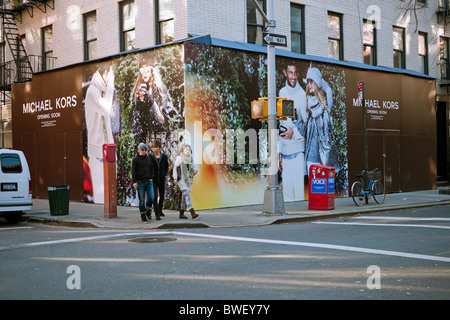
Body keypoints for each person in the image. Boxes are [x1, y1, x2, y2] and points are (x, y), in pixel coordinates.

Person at [84, 65, 115, 204]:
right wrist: (111, 85)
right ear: (104, 73)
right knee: (101, 196)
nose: (110, 78)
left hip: (106, 148)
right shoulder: (93, 91)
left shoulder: (100, 90)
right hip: (97, 152)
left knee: (109, 194)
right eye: (109, 74)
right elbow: (106, 108)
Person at [278, 62, 306, 201]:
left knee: (299, 194)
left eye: (295, 73)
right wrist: (279, 152)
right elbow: (281, 123)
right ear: (285, 72)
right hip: (285, 152)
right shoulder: (282, 92)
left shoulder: (302, 95)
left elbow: (307, 126)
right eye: (290, 73)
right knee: (287, 195)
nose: (293, 76)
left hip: (297, 152)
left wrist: (293, 133)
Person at [303, 67, 334, 172]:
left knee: (323, 186)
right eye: (308, 82)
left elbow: (329, 132)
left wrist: (323, 84)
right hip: (310, 155)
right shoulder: (308, 104)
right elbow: (304, 131)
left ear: (316, 82)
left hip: (322, 155)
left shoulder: (324, 107)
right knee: (313, 186)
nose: (309, 85)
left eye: (311, 81)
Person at [173, 145, 199, 219]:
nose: (188, 151)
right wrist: (175, 178)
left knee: (184, 197)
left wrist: (195, 170)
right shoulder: (179, 158)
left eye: (189, 150)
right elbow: (175, 168)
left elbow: (193, 167)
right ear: (183, 151)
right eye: (186, 150)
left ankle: (181, 214)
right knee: (187, 194)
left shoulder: (190, 159)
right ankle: (192, 212)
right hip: (181, 179)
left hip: (187, 180)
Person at [131, 143, 155, 223]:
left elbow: (151, 168)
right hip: (140, 181)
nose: (144, 151)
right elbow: (133, 171)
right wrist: (134, 181)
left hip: (148, 180)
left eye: (145, 150)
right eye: (142, 150)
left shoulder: (149, 159)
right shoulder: (135, 160)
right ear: (139, 150)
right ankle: (143, 216)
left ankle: (148, 211)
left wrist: (151, 177)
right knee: (141, 200)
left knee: (151, 197)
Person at [150, 139, 169, 220]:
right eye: (154, 147)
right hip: (153, 179)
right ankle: (156, 212)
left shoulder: (163, 156)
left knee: (162, 195)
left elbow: (166, 166)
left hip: (161, 178)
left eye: (157, 147)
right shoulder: (150, 157)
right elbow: (149, 167)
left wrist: (164, 174)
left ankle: (160, 210)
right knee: (154, 196)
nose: (155, 149)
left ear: (159, 147)